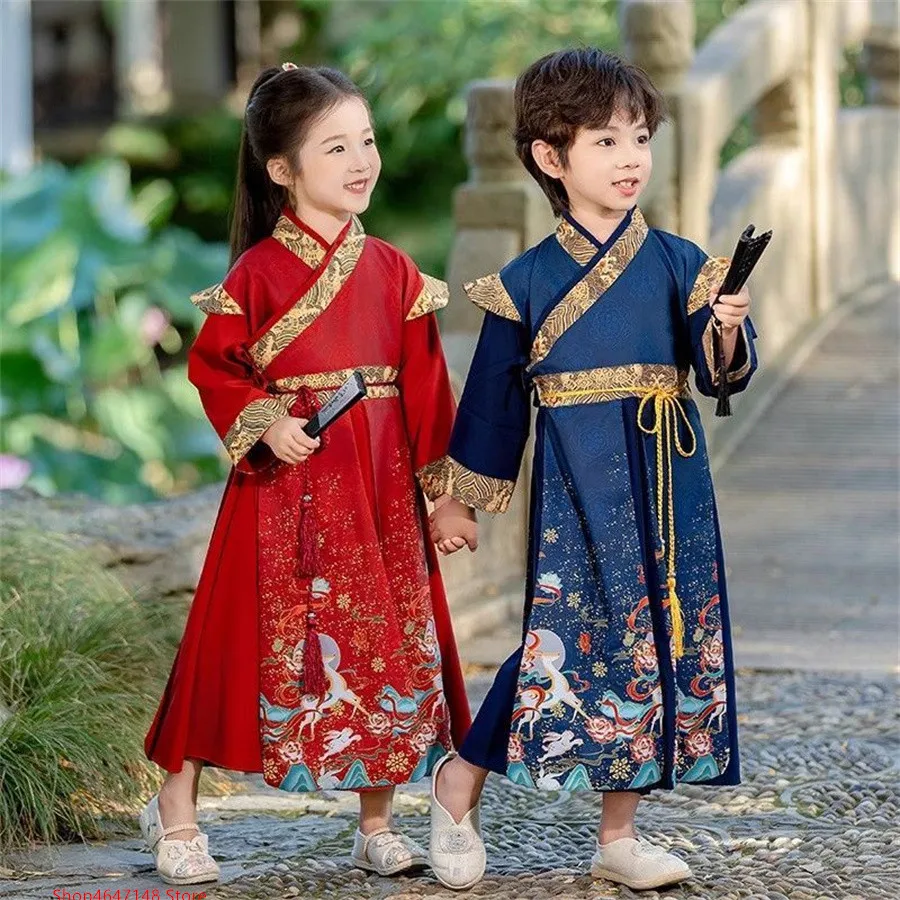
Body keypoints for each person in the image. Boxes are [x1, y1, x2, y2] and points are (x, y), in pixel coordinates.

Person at [424, 47, 758, 892]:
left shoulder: (683, 263)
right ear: (550, 156)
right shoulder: (524, 283)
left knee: (656, 647)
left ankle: (619, 834)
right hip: (577, 485)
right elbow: (494, 403)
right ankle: (460, 778)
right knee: (563, 647)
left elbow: (721, 374)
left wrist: (724, 328)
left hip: (670, 483)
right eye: (606, 141)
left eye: (640, 138)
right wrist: (461, 500)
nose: (631, 158)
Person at [140, 62, 471, 886]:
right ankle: (177, 811)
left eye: (366, 141)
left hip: (378, 491)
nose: (362, 160)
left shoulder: (394, 270)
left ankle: (376, 820)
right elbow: (217, 369)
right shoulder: (255, 275)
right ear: (282, 170)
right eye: (335, 148)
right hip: (283, 485)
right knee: (231, 643)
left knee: (385, 645)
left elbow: (428, 388)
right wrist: (267, 421)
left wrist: (448, 498)